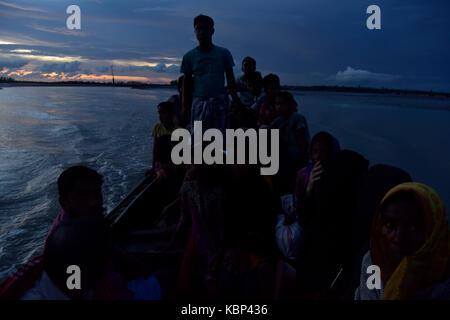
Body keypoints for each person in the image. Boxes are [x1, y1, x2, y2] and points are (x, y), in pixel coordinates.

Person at [355, 182, 450, 300]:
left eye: (412, 227)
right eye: (390, 225)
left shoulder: (443, 278)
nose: (399, 237)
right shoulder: (373, 262)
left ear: (433, 231)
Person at [181, 14, 241, 134]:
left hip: (219, 102)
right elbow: (186, 84)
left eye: (205, 28)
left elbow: (230, 80)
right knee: (198, 140)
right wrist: (184, 107)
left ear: (212, 31)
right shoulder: (189, 56)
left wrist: (235, 99)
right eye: (198, 29)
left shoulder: (224, 53)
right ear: (195, 32)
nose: (202, 32)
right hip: (198, 103)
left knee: (219, 138)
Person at [271, 91, 310, 195]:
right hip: (284, 158)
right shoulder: (277, 121)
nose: (279, 106)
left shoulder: (297, 118)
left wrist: (304, 161)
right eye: (277, 104)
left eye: (282, 103)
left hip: (296, 158)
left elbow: (302, 141)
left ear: (290, 105)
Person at [47, 165, 104, 236]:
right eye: (83, 197)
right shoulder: (73, 238)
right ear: (64, 203)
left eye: (97, 193)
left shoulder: (80, 219)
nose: (94, 202)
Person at [294, 131, 340, 214]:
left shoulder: (338, 177)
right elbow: (297, 205)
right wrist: (309, 186)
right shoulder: (303, 174)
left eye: (323, 152)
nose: (317, 157)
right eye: (315, 151)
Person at [150, 101, 180, 174]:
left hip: (173, 164)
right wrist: (153, 167)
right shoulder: (157, 127)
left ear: (171, 114)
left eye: (163, 113)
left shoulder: (178, 130)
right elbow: (155, 150)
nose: (160, 116)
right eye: (159, 113)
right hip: (160, 163)